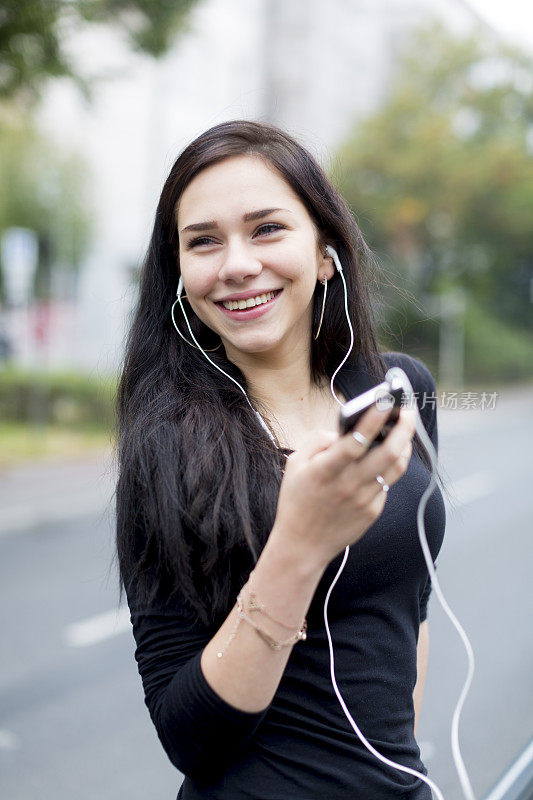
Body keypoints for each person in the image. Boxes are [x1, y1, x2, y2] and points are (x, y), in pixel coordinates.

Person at [115, 119, 446, 800]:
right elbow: (189, 739)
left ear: (324, 252)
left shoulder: (395, 393)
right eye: (203, 241)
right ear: (180, 275)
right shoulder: (167, 451)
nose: (236, 263)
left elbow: (406, 609)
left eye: (266, 229)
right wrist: (299, 544)